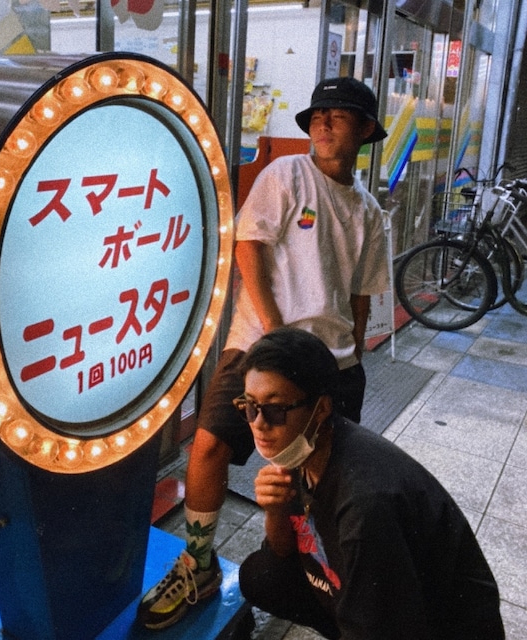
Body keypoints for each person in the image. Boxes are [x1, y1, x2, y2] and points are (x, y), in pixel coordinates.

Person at [137, 77, 390, 630]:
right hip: (258, 345)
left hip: (333, 363)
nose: (323, 123)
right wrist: (276, 334)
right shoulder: (286, 174)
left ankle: (306, 571)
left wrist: (351, 354)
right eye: (317, 114)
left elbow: (361, 295)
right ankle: (198, 563)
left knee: (315, 480)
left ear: (366, 129)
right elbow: (248, 248)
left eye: (337, 115)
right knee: (209, 444)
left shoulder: (370, 212)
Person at [236, 327, 505, 640]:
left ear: (320, 409)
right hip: (380, 597)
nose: (259, 423)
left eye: (275, 409)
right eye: (250, 406)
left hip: (439, 626)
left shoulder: (364, 503)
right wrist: (276, 510)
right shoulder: (305, 445)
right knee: (263, 575)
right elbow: (280, 552)